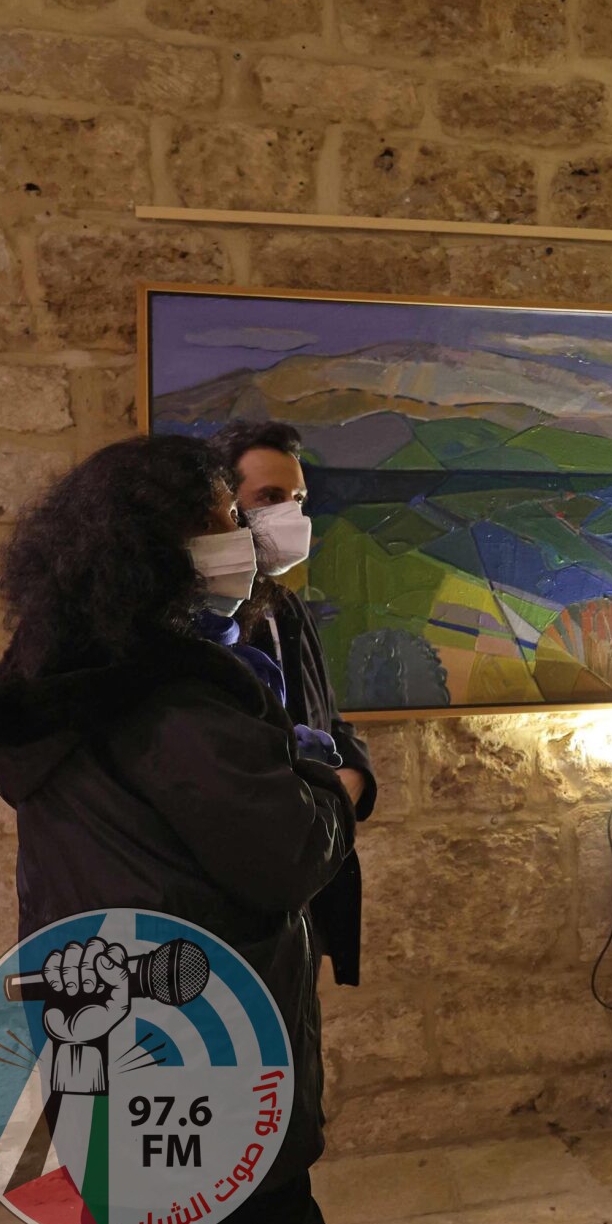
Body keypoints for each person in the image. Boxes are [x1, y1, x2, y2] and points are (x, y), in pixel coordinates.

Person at [0, 435, 352, 1224]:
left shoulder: (59, 687)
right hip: (213, 1053)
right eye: (228, 517)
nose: (246, 535)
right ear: (157, 551)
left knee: (137, 1218)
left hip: (105, 1048)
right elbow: (290, 855)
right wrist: (323, 777)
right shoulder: (176, 708)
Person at [209, 420, 376, 988]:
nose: (291, 514)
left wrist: (351, 778)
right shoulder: (200, 620)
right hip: (236, 903)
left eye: (299, 499)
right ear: (223, 506)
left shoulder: (284, 607)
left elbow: (327, 718)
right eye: (270, 498)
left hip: (307, 876)